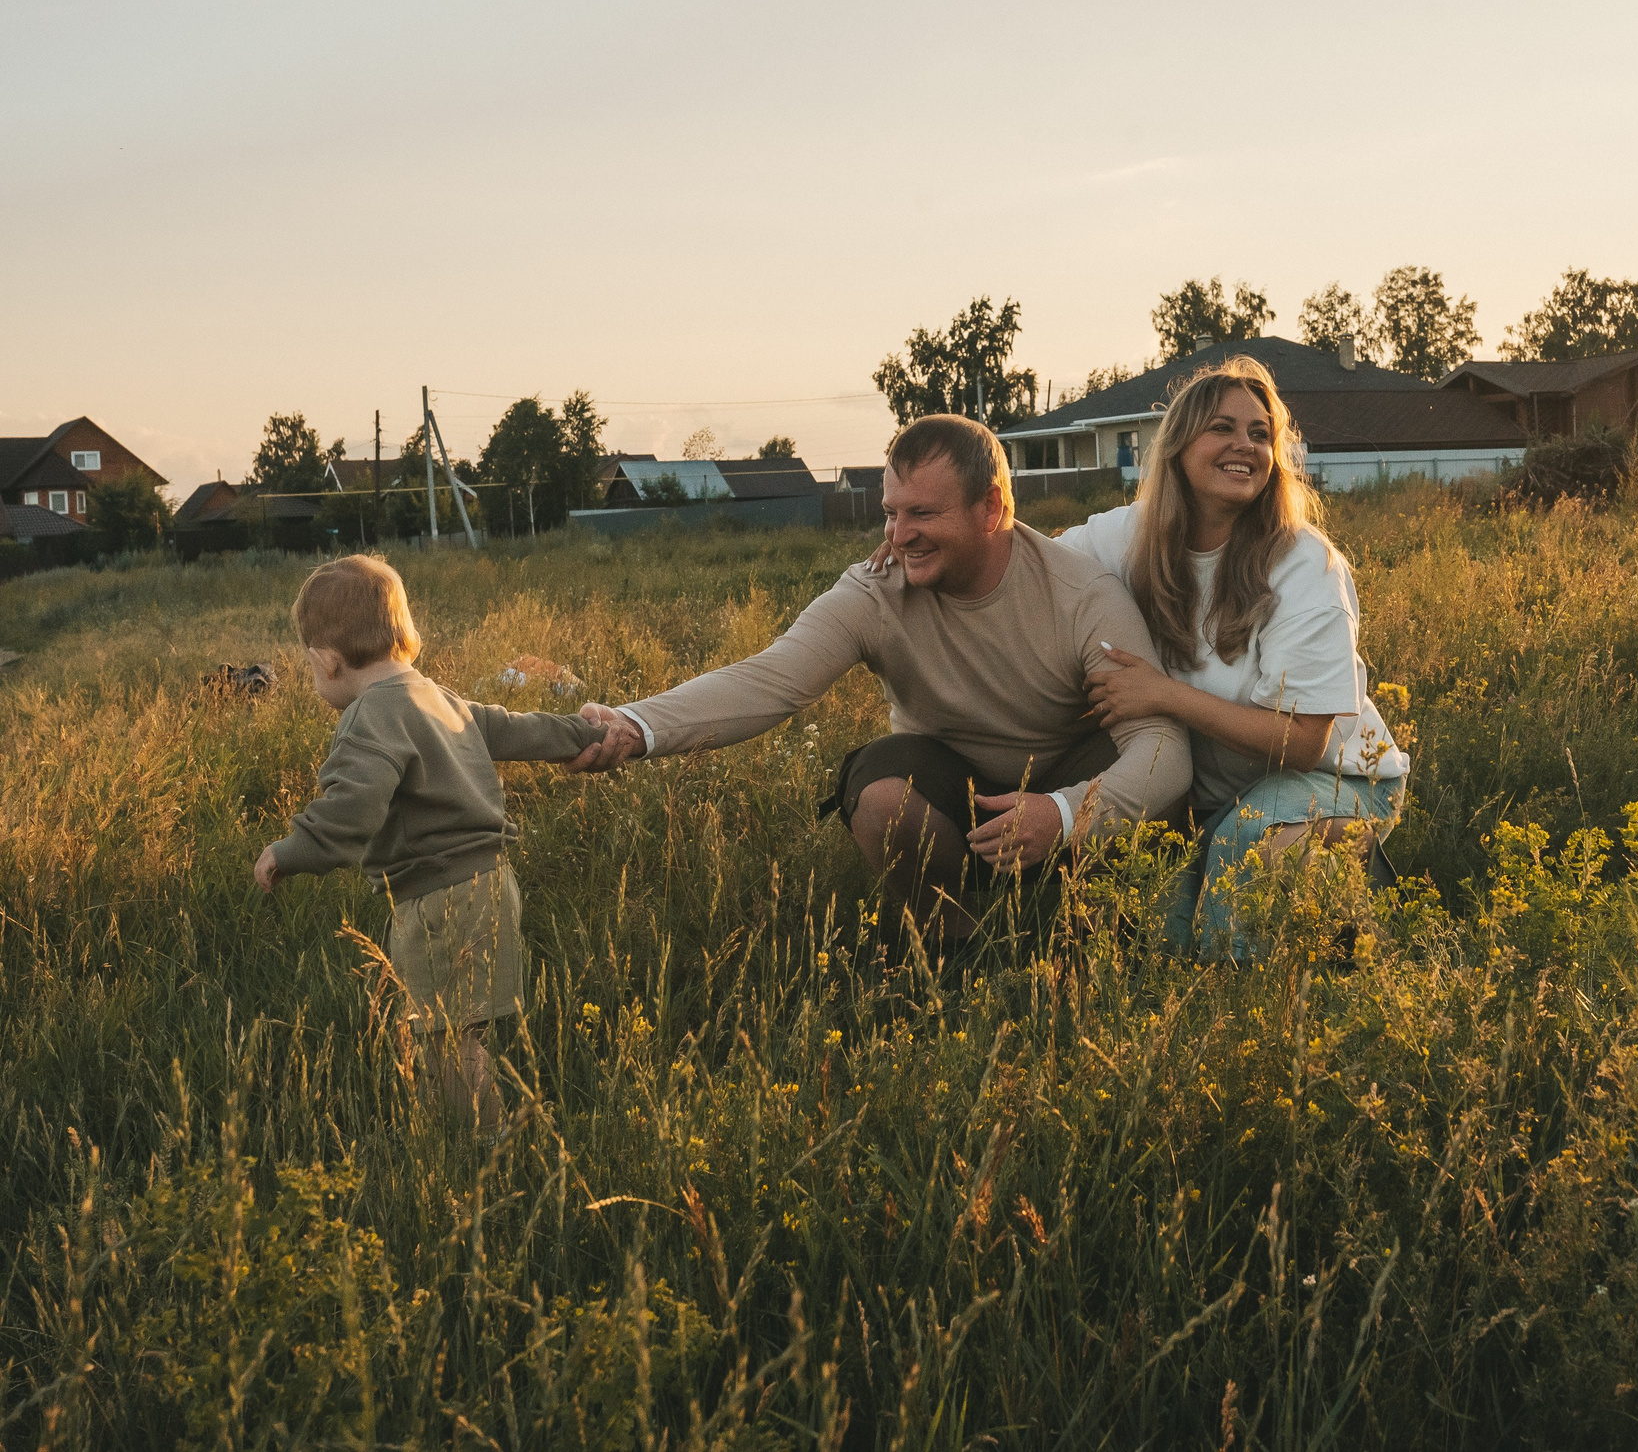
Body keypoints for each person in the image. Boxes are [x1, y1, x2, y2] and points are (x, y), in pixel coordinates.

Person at [570, 415, 1190, 952]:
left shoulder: (1081, 595)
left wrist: (1065, 812)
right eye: (892, 513)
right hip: (958, 795)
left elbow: (1163, 749)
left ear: (991, 509)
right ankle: (957, 942)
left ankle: (1097, 933)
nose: (898, 535)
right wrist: (638, 725)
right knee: (881, 793)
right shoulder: (876, 591)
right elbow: (770, 678)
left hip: (1064, 793)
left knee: (1157, 790)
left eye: (923, 513)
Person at [1059, 356, 1409, 960]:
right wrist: (914, 543)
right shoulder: (1128, 535)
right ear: (1177, 446)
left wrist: (1164, 695)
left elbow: (1303, 742)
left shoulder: (1304, 563)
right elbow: (1032, 564)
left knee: (1245, 854)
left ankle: (1354, 907)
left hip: (1336, 778)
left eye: (1259, 434)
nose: (1245, 445)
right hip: (1210, 796)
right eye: (1222, 428)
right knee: (1164, 940)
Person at [255, 554, 604, 1139]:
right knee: (448, 1034)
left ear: (326, 659)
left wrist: (290, 851)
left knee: (444, 1041)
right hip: (491, 885)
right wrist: (584, 733)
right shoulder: (437, 697)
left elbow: (353, 809)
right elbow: (516, 728)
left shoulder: (370, 717)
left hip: (439, 899)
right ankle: (474, 1132)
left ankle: (488, 1146)